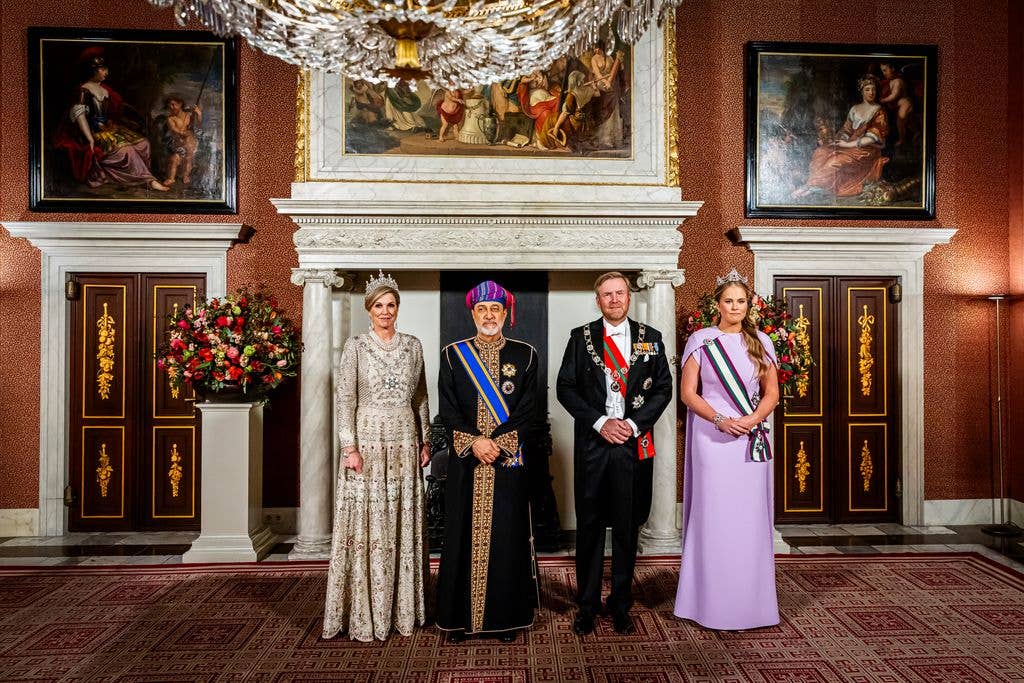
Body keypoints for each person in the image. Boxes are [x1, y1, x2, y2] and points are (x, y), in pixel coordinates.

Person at [556, 271, 672, 636]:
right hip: (594, 445)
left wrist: (633, 425)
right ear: (598, 300)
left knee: (626, 527)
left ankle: (621, 604)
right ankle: (587, 605)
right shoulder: (581, 338)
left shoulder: (650, 339)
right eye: (607, 294)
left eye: (620, 293)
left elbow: (663, 390)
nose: (614, 299)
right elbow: (565, 388)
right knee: (589, 528)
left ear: (628, 297)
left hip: (633, 444)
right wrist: (600, 422)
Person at [322, 271, 431, 642]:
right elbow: (346, 400)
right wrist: (348, 448)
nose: (386, 311)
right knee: (369, 522)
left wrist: (426, 440)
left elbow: (421, 397)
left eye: (391, 304)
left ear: (398, 308)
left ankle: (404, 608)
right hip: (367, 442)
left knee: (400, 519)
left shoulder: (413, 345)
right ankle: (366, 611)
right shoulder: (356, 346)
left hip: (404, 440)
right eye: (379, 305)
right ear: (369, 310)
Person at [674, 268, 780, 630]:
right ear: (717, 304)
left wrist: (750, 421)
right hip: (712, 438)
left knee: (747, 520)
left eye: (741, 301)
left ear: (749, 304)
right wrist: (720, 418)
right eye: (728, 301)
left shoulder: (761, 342)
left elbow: (772, 394)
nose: (735, 306)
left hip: (749, 440)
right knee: (714, 517)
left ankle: (750, 603)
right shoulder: (701, 340)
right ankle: (706, 602)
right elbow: (689, 394)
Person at [435, 280, 539, 643]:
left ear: (505, 314)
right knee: (462, 535)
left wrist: (499, 444)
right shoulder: (452, 355)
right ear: (473, 313)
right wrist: (475, 443)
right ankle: (458, 620)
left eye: (496, 309)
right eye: (482, 310)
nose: (489, 315)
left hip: (507, 461)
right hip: (467, 461)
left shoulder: (526, 354)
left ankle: (505, 620)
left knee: (507, 540)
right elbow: (447, 408)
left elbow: (529, 410)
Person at [53, 49, 169, 192]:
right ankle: (150, 182)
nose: (106, 72)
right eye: (103, 69)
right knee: (127, 151)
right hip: (94, 131)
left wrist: (117, 122)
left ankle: (133, 179)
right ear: (93, 71)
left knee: (144, 144)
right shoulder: (84, 90)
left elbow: (115, 110)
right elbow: (80, 116)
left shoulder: (105, 90)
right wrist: (90, 139)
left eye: (106, 69)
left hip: (109, 128)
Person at [792, 75, 889, 198]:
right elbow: (847, 129)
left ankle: (810, 188)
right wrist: (839, 140)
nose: (871, 92)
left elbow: (873, 137)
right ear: (862, 92)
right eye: (867, 89)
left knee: (834, 161)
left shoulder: (878, 110)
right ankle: (812, 186)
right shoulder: (855, 109)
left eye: (873, 89)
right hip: (850, 145)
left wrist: (847, 144)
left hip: (866, 150)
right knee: (821, 152)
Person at [162, 95, 202, 187]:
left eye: (173, 104)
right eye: (169, 105)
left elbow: (198, 125)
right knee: (174, 159)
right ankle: (171, 178)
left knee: (188, 159)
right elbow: (173, 129)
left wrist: (198, 114)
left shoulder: (189, 115)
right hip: (178, 144)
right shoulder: (170, 118)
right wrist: (181, 133)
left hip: (190, 143)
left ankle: (186, 176)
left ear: (180, 104)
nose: (171, 107)